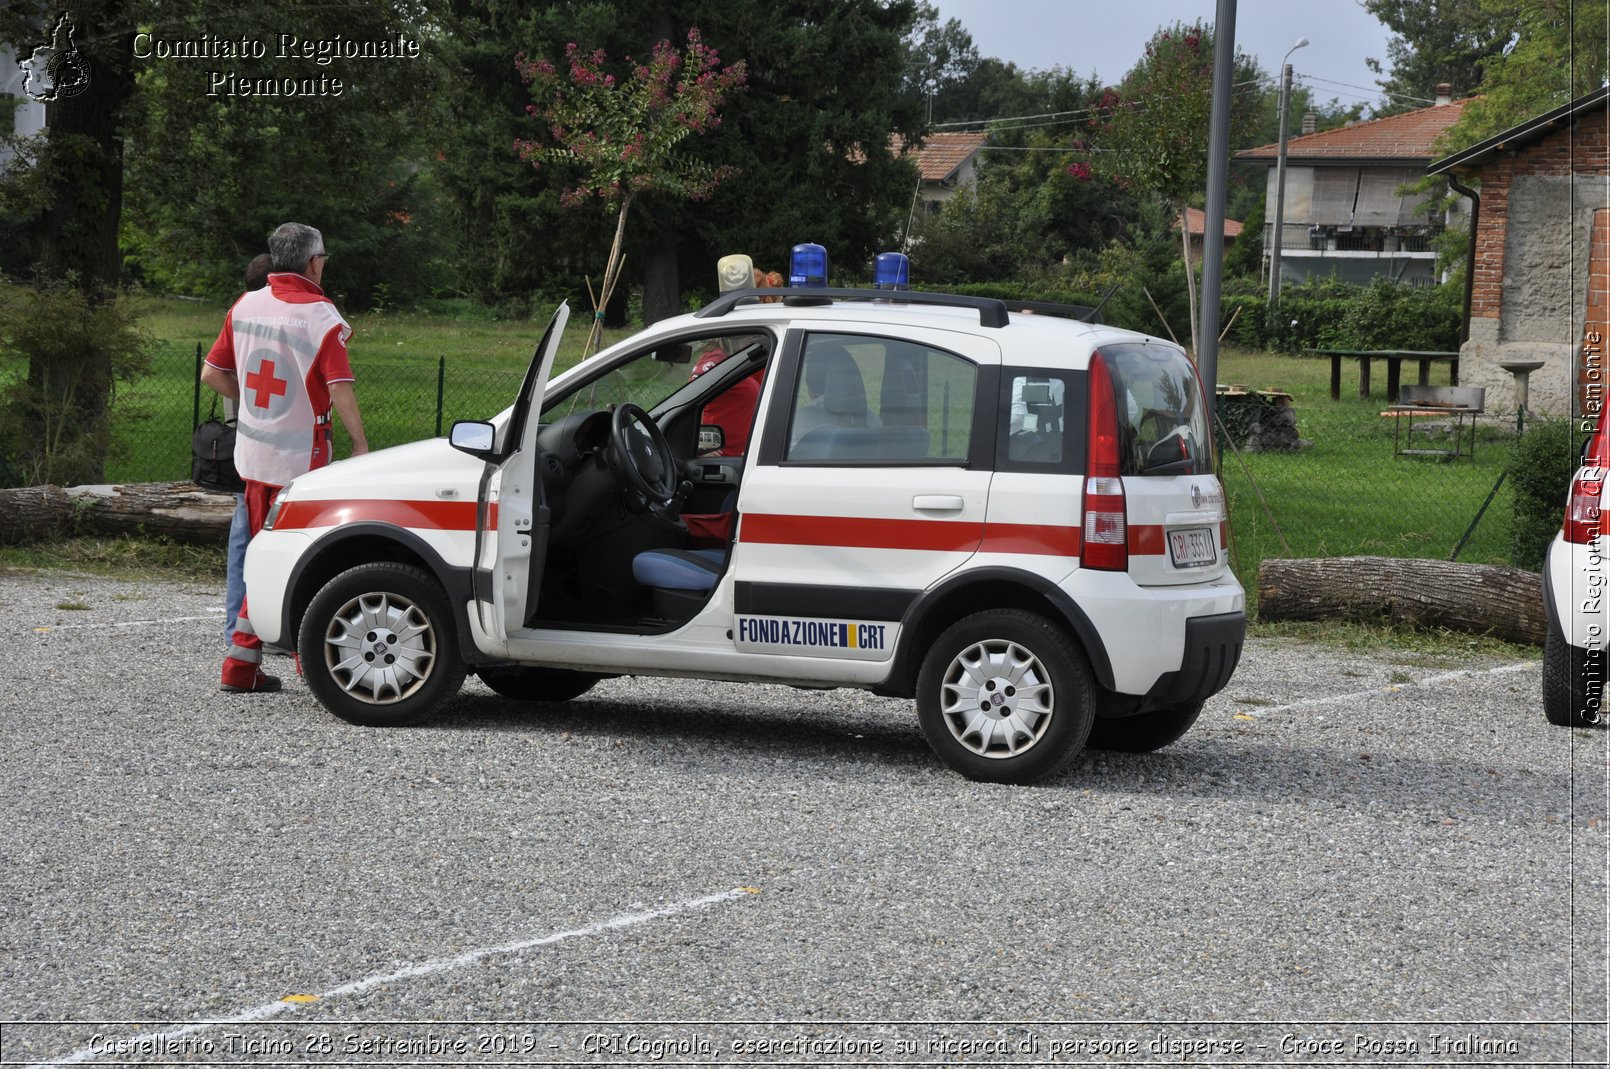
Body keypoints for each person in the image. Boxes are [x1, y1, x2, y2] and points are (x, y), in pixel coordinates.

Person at [202, 223, 368, 692]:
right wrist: (360, 447)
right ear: (313, 262)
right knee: (308, 562)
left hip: (252, 457)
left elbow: (211, 374)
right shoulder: (319, 314)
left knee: (259, 560)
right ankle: (309, 664)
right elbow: (340, 387)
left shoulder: (245, 304)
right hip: (302, 460)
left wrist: (256, 407)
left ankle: (240, 666)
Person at [221, 253, 275, 643]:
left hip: (246, 440)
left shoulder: (240, 313)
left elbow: (214, 370)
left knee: (242, 536)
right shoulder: (266, 317)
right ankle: (259, 628)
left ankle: (235, 629)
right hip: (271, 447)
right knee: (261, 538)